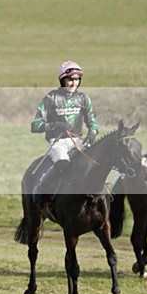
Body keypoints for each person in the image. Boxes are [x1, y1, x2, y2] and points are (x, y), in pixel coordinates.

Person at [31, 60, 99, 204]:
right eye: (70, 80)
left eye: (77, 79)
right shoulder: (51, 98)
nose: (74, 83)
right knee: (63, 164)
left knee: (94, 162)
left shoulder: (84, 99)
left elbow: (92, 121)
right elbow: (35, 125)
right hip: (58, 143)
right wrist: (55, 125)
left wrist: (92, 132)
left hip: (78, 141)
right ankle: (41, 192)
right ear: (62, 80)